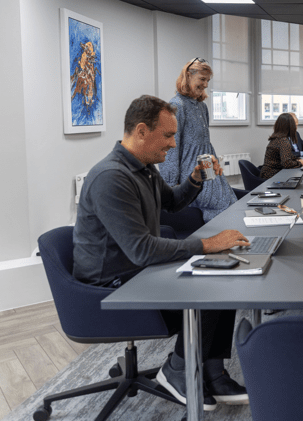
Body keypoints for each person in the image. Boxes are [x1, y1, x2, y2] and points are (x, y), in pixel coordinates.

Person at [73, 95, 250, 410]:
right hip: (109, 288)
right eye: (168, 135)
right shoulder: (110, 178)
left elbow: (173, 203)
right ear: (141, 131)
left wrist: (196, 178)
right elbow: (141, 250)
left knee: (224, 274)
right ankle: (178, 368)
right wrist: (207, 244)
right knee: (208, 282)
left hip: (134, 270)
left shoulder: (144, 168)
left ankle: (212, 370)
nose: (172, 144)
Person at [160, 58, 238, 223]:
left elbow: (205, 146)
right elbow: (169, 149)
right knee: (221, 204)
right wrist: (171, 188)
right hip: (189, 176)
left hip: (207, 170)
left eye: (208, 80)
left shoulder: (202, 107)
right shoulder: (176, 106)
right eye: (202, 79)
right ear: (188, 76)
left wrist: (213, 174)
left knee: (231, 200)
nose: (206, 84)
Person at [259, 113, 303, 179]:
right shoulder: (283, 141)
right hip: (271, 176)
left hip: (267, 173)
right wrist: (299, 163)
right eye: (295, 126)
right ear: (289, 127)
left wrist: (297, 159)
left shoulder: (278, 137)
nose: (296, 128)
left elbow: (288, 155)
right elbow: (286, 163)